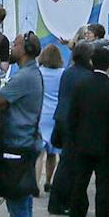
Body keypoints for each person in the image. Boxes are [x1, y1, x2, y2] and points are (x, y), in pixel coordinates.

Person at [52, 43, 109, 217]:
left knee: (79, 186)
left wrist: (73, 140)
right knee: (103, 190)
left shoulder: (81, 85)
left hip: (82, 145)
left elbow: (72, 116)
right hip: (105, 146)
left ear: (92, 62)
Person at [0, 32, 45, 217]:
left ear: (27, 49)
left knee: (18, 207)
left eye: (16, 44)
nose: (11, 47)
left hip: (17, 146)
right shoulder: (29, 74)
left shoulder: (24, 77)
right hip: (23, 144)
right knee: (22, 205)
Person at [38, 42, 67, 191]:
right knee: (52, 153)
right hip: (56, 115)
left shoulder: (39, 72)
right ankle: (49, 181)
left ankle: (35, 184)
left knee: (39, 153)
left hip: (42, 113)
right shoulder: (62, 73)